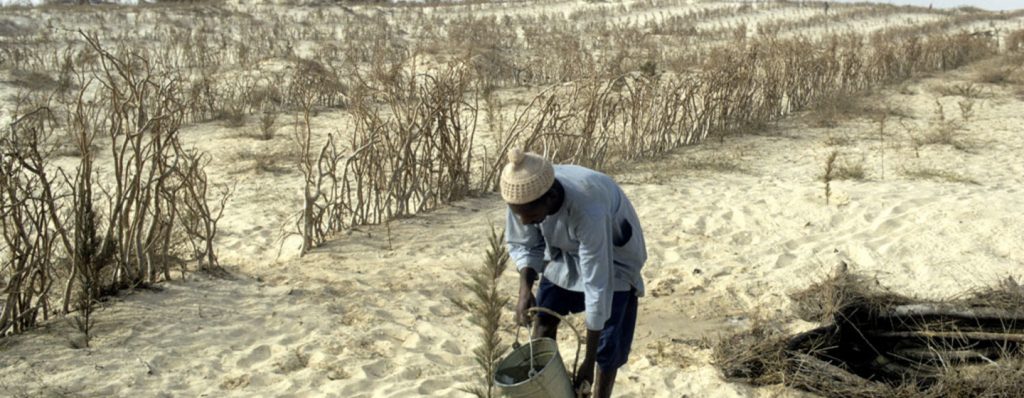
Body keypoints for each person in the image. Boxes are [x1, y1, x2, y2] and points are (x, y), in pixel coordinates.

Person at [501, 149, 646, 398]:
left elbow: (597, 285)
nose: (525, 222)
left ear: (552, 197)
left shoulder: (588, 209)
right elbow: (525, 244)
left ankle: (599, 391)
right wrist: (525, 290)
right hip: (562, 253)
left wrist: (587, 363)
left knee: (607, 346)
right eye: (519, 215)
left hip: (613, 257)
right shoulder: (523, 196)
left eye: (532, 217)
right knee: (544, 320)